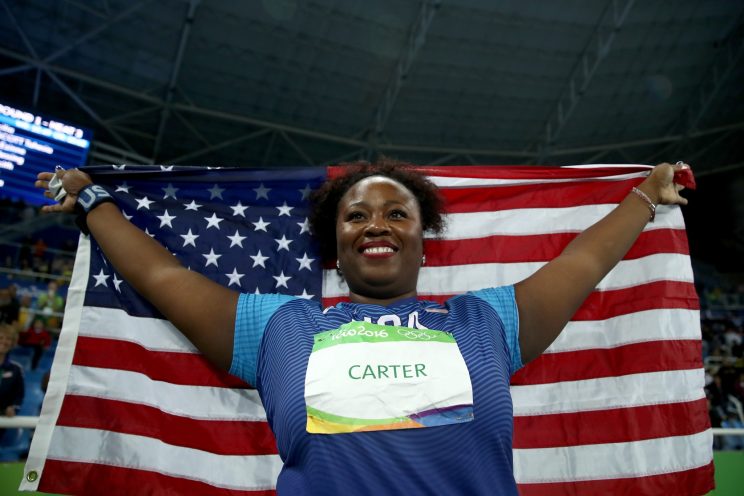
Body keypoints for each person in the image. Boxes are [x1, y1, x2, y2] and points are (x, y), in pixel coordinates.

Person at [35, 159, 689, 495]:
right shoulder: (278, 328)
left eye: (396, 213)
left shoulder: (487, 321)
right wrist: (92, 199)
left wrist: (643, 194)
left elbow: (584, 259)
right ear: (335, 245)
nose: (376, 223)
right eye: (356, 216)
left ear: (424, 239)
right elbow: (162, 279)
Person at [0, 324, 24, 419]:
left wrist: (13, 408)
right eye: (0, 337)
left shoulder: (16, 369)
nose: (4, 341)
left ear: (12, 343)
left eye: (8, 338)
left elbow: (19, 396)